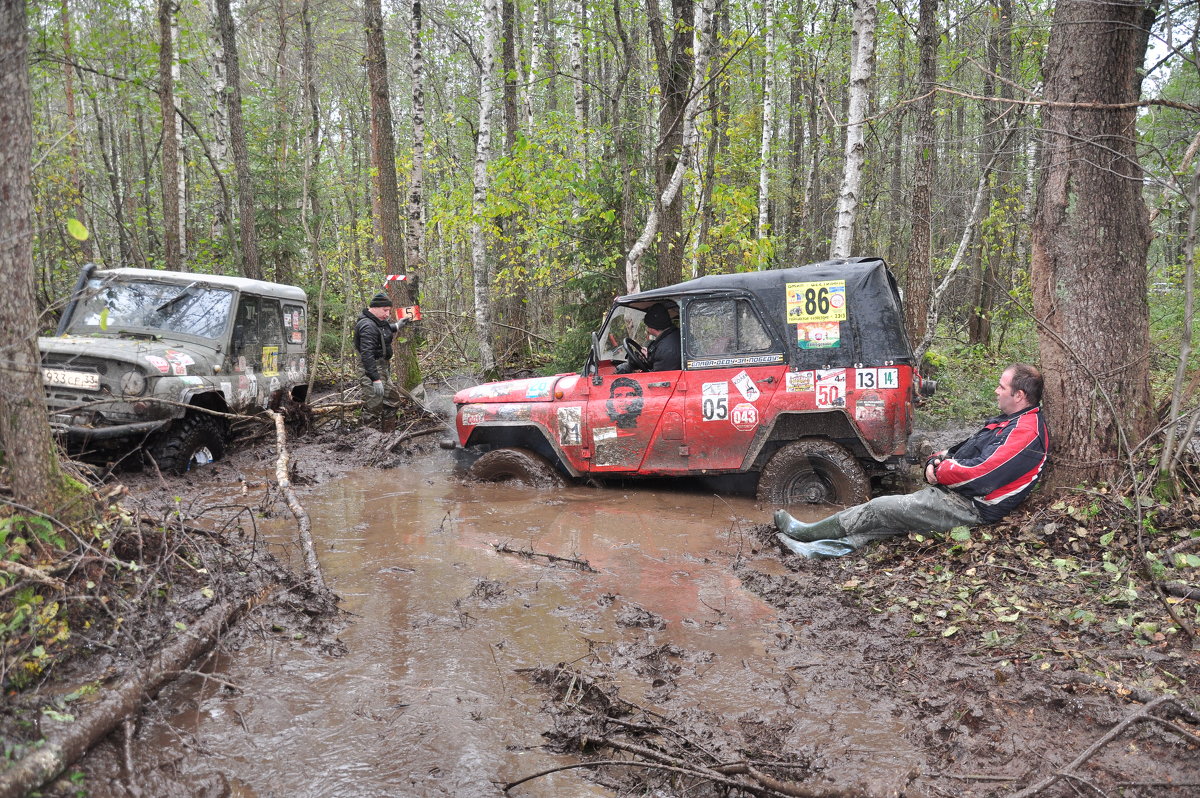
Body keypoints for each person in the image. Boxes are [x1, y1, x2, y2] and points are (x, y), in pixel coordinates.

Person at [773, 363, 1049, 558]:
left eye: (1002, 387)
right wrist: (936, 459)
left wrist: (940, 471)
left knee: (880, 508)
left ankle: (807, 532)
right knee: (886, 526)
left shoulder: (1027, 431)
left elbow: (982, 473)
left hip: (970, 508)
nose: (996, 391)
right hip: (958, 497)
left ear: (1019, 395)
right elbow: (965, 450)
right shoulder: (1011, 422)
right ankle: (819, 550)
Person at [354, 292, 411, 428]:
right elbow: (367, 355)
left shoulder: (376, 322)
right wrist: (375, 379)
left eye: (389, 311)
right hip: (371, 369)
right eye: (385, 310)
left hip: (382, 368)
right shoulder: (367, 325)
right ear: (374, 308)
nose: (387, 314)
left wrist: (397, 326)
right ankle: (369, 441)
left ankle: (388, 437)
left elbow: (381, 330)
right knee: (373, 407)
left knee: (392, 400)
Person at [619, 302, 681, 373]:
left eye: (647, 326)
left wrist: (636, 372)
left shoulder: (666, 349)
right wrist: (648, 356)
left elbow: (658, 379)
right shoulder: (674, 334)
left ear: (651, 328)